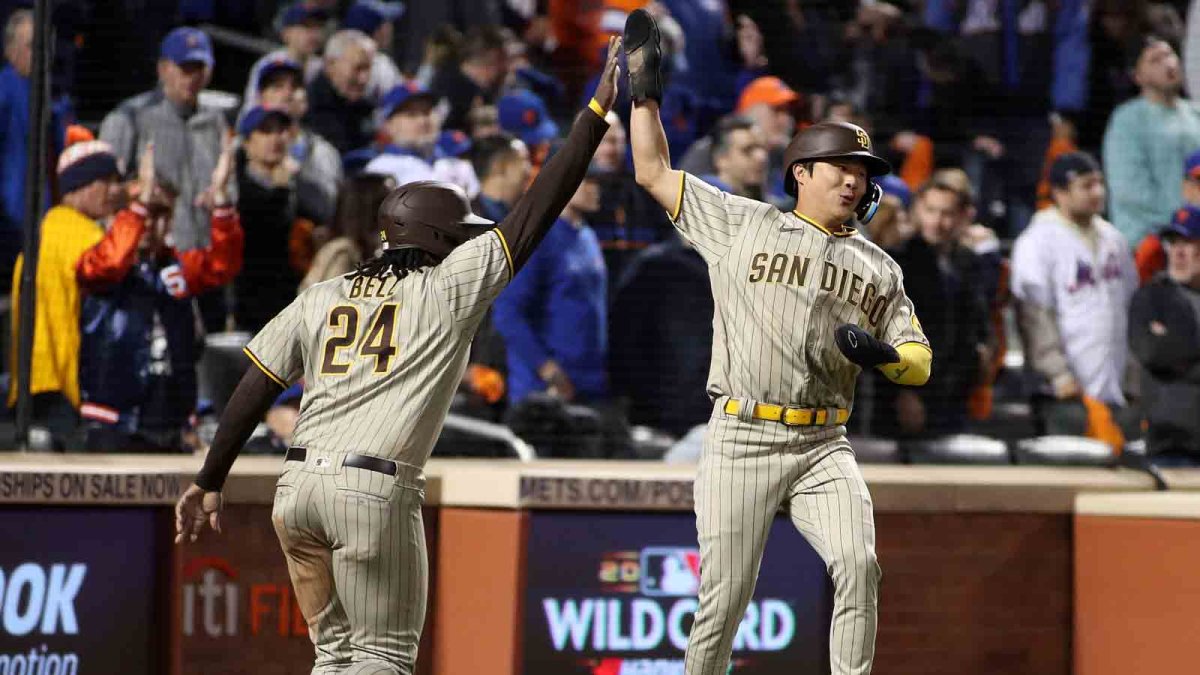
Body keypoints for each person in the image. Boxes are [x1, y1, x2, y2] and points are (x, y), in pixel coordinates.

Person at [172, 39, 621, 674]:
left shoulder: (324, 293)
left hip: (295, 489)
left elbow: (256, 383)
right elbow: (536, 210)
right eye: (460, 235)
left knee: (334, 659)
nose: (470, 241)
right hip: (372, 487)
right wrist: (598, 107)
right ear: (441, 240)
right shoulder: (448, 285)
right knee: (382, 657)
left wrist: (210, 478)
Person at [624, 11, 930, 675]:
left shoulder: (879, 265)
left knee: (859, 562)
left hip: (824, 442)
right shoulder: (741, 222)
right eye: (839, 166)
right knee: (724, 598)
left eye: (862, 170)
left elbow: (919, 360)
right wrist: (644, 99)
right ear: (801, 171)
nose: (852, 179)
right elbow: (652, 171)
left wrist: (889, 359)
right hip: (742, 434)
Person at [79, 141, 243, 452]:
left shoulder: (177, 266)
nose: (150, 224)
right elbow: (110, 263)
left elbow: (223, 265)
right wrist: (139, 205)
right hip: (113, 421)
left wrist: (221, 201)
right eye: (143, 211)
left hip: (169, 421)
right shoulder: (97, 260)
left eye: (161, 214)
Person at [1011, 152, 1140, 443]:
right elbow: (1034, 315)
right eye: (1086, 185)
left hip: (1113, 385)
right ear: (1059, 192)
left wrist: (1133, 378)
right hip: (1063, 393)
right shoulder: (1037, 240)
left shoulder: (1114, 239)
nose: (1097, 192)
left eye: (1099, 183)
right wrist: (1057, 374)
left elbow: (1130, 308)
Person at [7, 139, 124, 449]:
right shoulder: (79, 231)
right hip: (61, 382)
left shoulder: (48, 229)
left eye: (117, 181)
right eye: (105, 180)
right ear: (77, 186)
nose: (115, 190)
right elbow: (114, 263)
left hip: (32, 380)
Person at [877, 179, 992, 439]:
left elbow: (978, 321)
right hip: (908, 396)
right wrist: (904, 393)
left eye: (947, 213)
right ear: (917, 210)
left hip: (956, 394)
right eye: (930, 211)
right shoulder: (897, 260)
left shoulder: (969, 262)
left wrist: (983, 352)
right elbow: (884, 334)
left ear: (962, 217)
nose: (937, 222)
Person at [99, 27, 229, 253]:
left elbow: (229, 185)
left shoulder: (215, 122)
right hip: (148, 253)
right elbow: (104, 191)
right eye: (184, 68)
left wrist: (220, 196)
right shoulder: (131, 117)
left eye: (199, 68)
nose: (192, 77)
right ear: (163, 69)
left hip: (202, 256)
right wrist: (139, 191)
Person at [493, 168, 607, 405]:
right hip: (542, 390)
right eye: (587, 180)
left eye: (598, 181)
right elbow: (507, 312)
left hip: (588, 383)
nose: (595, 188)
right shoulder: (537, 237)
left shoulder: (587, 234)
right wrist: (545, 368)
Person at [1103, 37, 1200, 248]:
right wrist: (1183, 220)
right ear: (1138, 76)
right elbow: (1130, 190)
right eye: (1155, 60)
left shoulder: (1196, 114)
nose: (1168, 64)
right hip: (1146, 241)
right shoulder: (1127, 120)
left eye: (1169, 55)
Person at [0, 9, 70, 291]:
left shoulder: (57, 96)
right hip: (10, 227)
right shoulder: (3, 93)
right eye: (33, 46)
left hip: (49, 223)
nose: (42, 55)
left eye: (46, 46)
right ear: (10, 50)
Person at [1129, 205, 1200, 466]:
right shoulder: (1151, 297)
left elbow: (1173, 353)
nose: (1178, 253)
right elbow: (1154, 353)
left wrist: (1179, 349)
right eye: (1173, 243)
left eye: (1189, 242)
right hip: (1172, 445)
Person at [253, 54, 342, 226]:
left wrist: (294, 178)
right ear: (260, 97)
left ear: (305, 100)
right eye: (277, 87)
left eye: (294, 87)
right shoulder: (240, 147)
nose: (287, 94)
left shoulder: (322, 152)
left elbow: (328, 210)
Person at [363, 83, 479, 197]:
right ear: (389, 125)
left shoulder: (457, 164)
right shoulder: (380, 169)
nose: (423, 121)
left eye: (427, 112)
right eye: (411, 115)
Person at [242, 4, 329, 109]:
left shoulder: (323, 68)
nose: (314, 34)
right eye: (306, 26)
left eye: (318, 27)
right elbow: (252, 108)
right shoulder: (268, 65)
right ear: (286, 33)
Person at [304, 30, 376, 154]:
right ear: (330, 65)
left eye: (368, 69)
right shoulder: (308, 107)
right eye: (358, 68)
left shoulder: (363, 108)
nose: (364, 79)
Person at [429, 25, 508, 132]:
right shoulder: (446, 87)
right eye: (500, 63)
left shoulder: (483, 92)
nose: (502, 71)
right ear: (491, 59)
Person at [340, 0, 406, 102]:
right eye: (386, 23)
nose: (390, 29)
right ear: (376, 30)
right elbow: (403, 102)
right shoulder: (381, 64)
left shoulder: (334, 56)